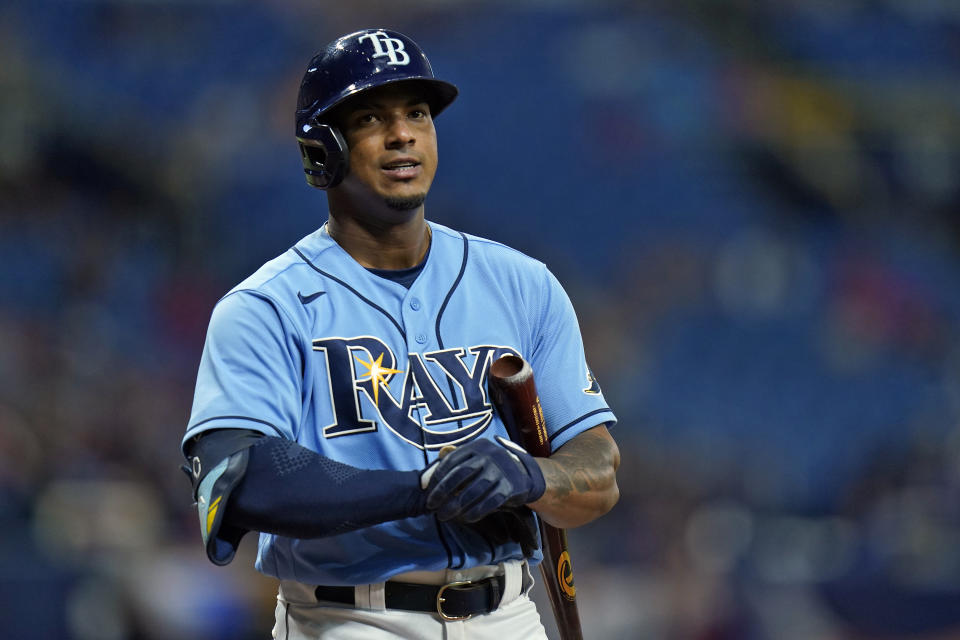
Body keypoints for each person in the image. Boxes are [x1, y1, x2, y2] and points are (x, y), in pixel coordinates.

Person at [181, 28, 620, 640]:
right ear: (322, 151)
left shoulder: (524, 284)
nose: (402, 134)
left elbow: (598, 472)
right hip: (346, 617)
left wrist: (532, 477)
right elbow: (248, 480)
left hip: (508, 614)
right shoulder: (264, 308)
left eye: (417, 113)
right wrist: (423, 491)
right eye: (370, 117)